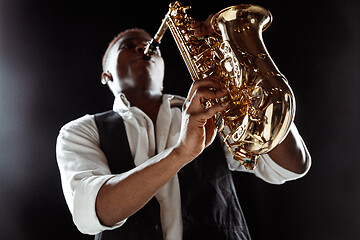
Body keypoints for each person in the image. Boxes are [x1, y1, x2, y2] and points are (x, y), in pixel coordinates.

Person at [56, 21, 311, 240]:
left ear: (163, 71)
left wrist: (242, 65)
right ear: (106, 75)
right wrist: (181, 152)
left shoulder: (210, 110)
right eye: (127, 45)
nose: (143, 48)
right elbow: (97, 210)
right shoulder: (80, 131)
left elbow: (291, 166)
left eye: (151, 47)